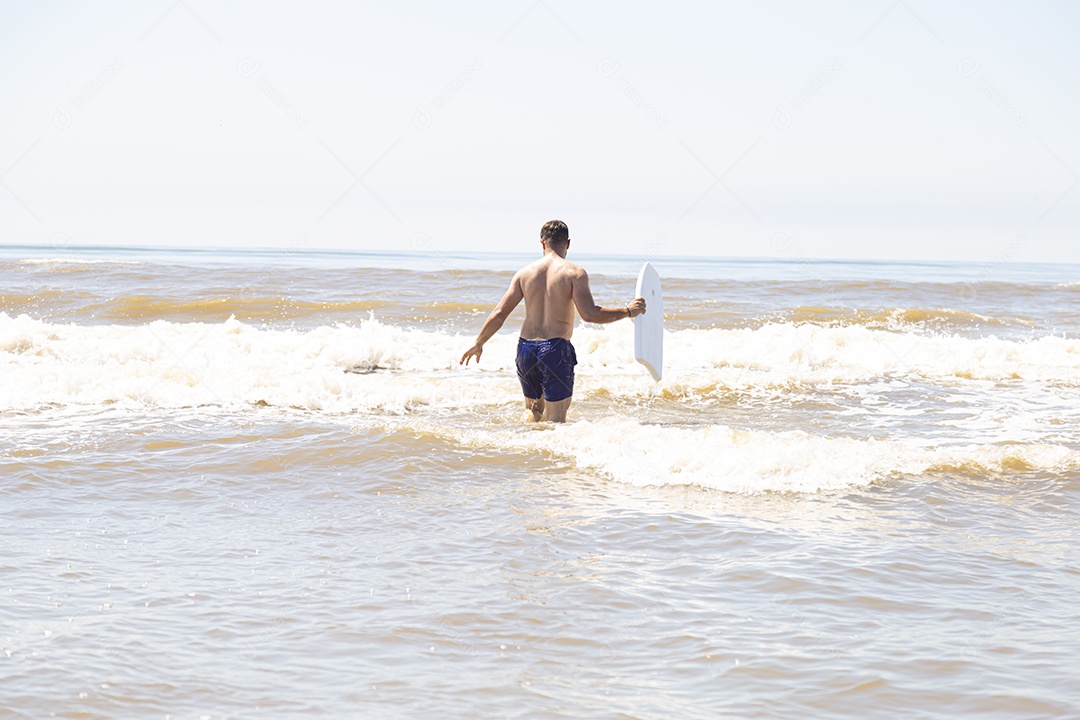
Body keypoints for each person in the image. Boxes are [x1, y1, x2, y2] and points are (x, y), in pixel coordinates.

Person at [459, 220, 646, 423]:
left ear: (542, 243)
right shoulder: (575, 273)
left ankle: (521, 441)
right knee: (556, 419)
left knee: (532, 411)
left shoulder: (524, 273)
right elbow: (590, 314)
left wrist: (479, 342)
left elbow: (499, 313)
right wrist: (628, 311)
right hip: (555, 349)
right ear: (568, 244)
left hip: (526, 349)